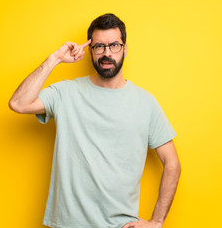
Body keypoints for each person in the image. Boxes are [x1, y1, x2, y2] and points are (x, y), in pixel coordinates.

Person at [9, 13, 181, 228]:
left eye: (114, 45)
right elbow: (18, 103)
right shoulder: (66, 92)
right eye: (99, 46)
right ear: (90, 50)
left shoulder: (145, 102)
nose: (107, 53)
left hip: (120, 225)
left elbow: (172, 163)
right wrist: (54, 59)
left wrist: (157, 222)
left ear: (125, 49)